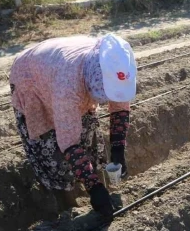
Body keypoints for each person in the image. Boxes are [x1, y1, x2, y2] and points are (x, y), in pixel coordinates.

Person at [9, 33, 137, 219]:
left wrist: (118, 148)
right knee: (52, 148)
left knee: (88, 133)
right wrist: (94, 188)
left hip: (57, 68)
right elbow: (68, 142)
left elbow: (120, 103)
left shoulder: (116, 64)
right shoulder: (67, 85)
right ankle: (65, 204)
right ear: (95, 82)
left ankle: (94, 187)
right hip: (30, 77)